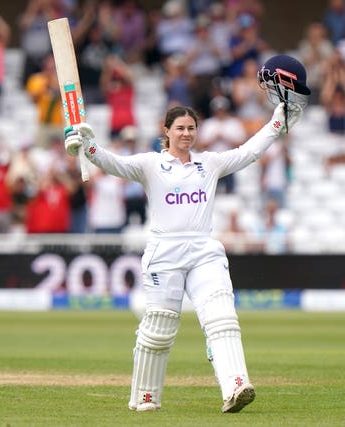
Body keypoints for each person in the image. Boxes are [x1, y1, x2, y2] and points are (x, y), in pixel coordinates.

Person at [63, 54, 309, 413]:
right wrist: (87, 146)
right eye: (179, 128)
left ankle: (236, 386)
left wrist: (277, 123)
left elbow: (248, 152)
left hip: (203, 250)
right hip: (165, 251)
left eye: (191, 128)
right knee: (159, 328)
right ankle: (146, 397)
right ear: (167, 131)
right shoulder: (151, 165)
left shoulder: (208, 163)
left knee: (222, 316)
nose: (186, 133)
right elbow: (112, 162)